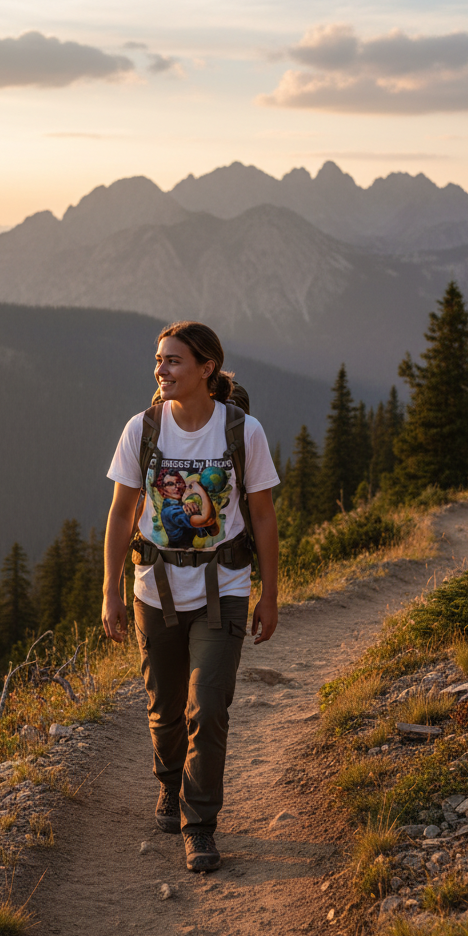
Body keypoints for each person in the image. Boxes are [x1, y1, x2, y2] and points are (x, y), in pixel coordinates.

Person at [102, 321, 280, 872]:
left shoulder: (242, 431)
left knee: (209, 707)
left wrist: (270, 595)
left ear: (207, 369)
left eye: (173, 361)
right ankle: (170, 785)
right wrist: (110, 590)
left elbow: (264, 516)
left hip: (222, 589)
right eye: (158, 360)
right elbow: (121, 513)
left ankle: (199, 823)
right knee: (164, 709)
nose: (161, 370)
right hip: (154, 591)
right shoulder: (143, 428)